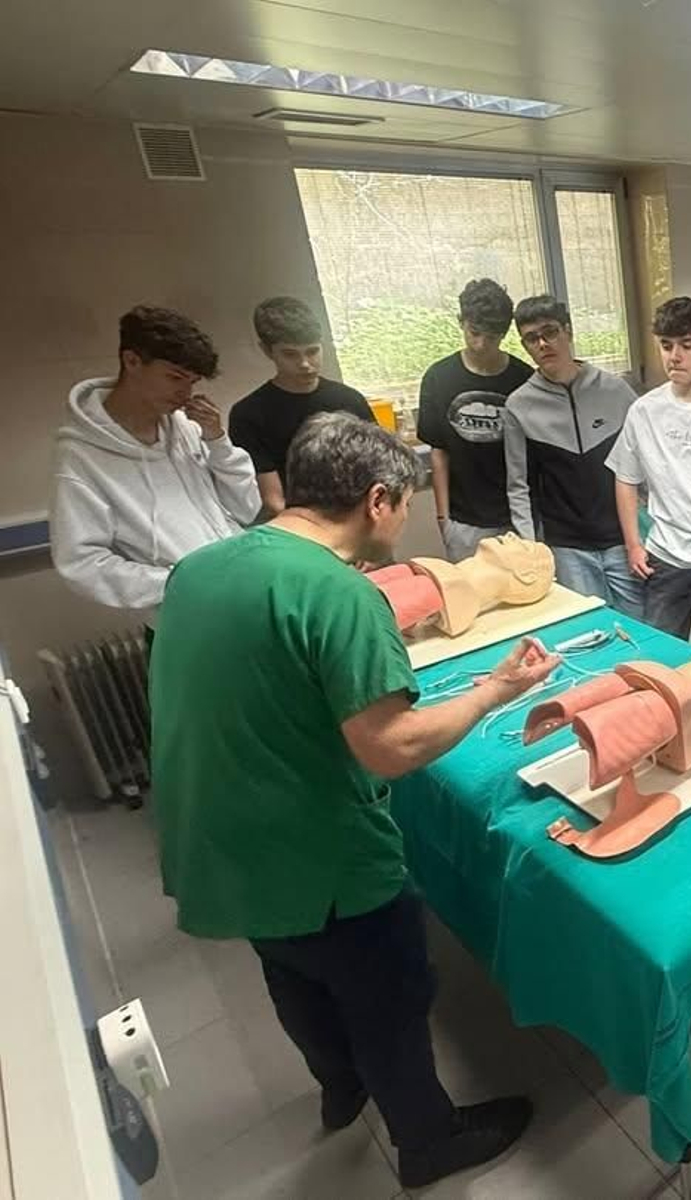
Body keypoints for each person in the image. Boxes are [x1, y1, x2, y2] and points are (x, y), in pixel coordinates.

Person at [149, 412, 559, 1189]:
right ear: (378, 500)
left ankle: (344, 1087)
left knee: (292, 971)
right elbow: (392, 747)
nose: (405, 520)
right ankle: (429, 1139)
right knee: (388, 992)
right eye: (403, 503)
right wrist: (495, 691)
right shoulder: (340, 595)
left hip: (219, 842)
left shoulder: (202, 567)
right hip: (317, 854)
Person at [50, 305, 260, 624]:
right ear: (131, 361)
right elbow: (81, 564)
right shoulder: (81, 456)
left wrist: (218, 441)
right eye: (174, 377)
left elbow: (246, 508)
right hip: (186, 622)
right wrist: (178, 583)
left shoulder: (187, 428)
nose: (185, 393)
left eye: (192, 381)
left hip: (243, 594)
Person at [608, 297, 691, 640]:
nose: (675, 356)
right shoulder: (644, 411)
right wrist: (633, 545)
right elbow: (625, 478)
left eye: (686, 345)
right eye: (666, 346)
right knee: (662, 660)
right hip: (666, 558)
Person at [503, 295, 641, 616]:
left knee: (644, 629)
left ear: (568, 331)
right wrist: (532, 550)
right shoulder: (519, 406)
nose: (543, 344)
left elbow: (646, 461)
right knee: (589, 633)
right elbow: (518, 486)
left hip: (622, 538)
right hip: (567, 546)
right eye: (531, 339)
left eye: (550, 332)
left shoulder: (615, 390)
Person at [418, 279, 533, 562]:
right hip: (464, 521)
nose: (481, 344)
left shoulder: (524, 379)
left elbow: (536, 455)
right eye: (474, 332)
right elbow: (439, 452)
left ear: (504, 333)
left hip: (518, 517)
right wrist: (443, 518)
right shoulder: (438, 378)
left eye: (491, 337)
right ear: (462, 322)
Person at [228, 295, 375, 518]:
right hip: (301, 531)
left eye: (312, 351)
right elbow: (273, 501)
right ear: (267, 351)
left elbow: (379, 468)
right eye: (290, 354)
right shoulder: (248, 415)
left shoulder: (350, 399)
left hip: (361, 522)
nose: (305, 364)